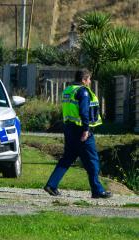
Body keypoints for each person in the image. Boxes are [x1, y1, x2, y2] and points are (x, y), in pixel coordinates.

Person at [44, 69, 112, 199]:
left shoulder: (68, 90)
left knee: (67, 159)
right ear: (83, 80)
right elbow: (84, 111)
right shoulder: (83, 91)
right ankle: (97, 190)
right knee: (93, 161)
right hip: (82, 131)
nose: (90, 81)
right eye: (89, 79)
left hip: (69, 129)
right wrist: (86, 130)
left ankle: (51, 185)